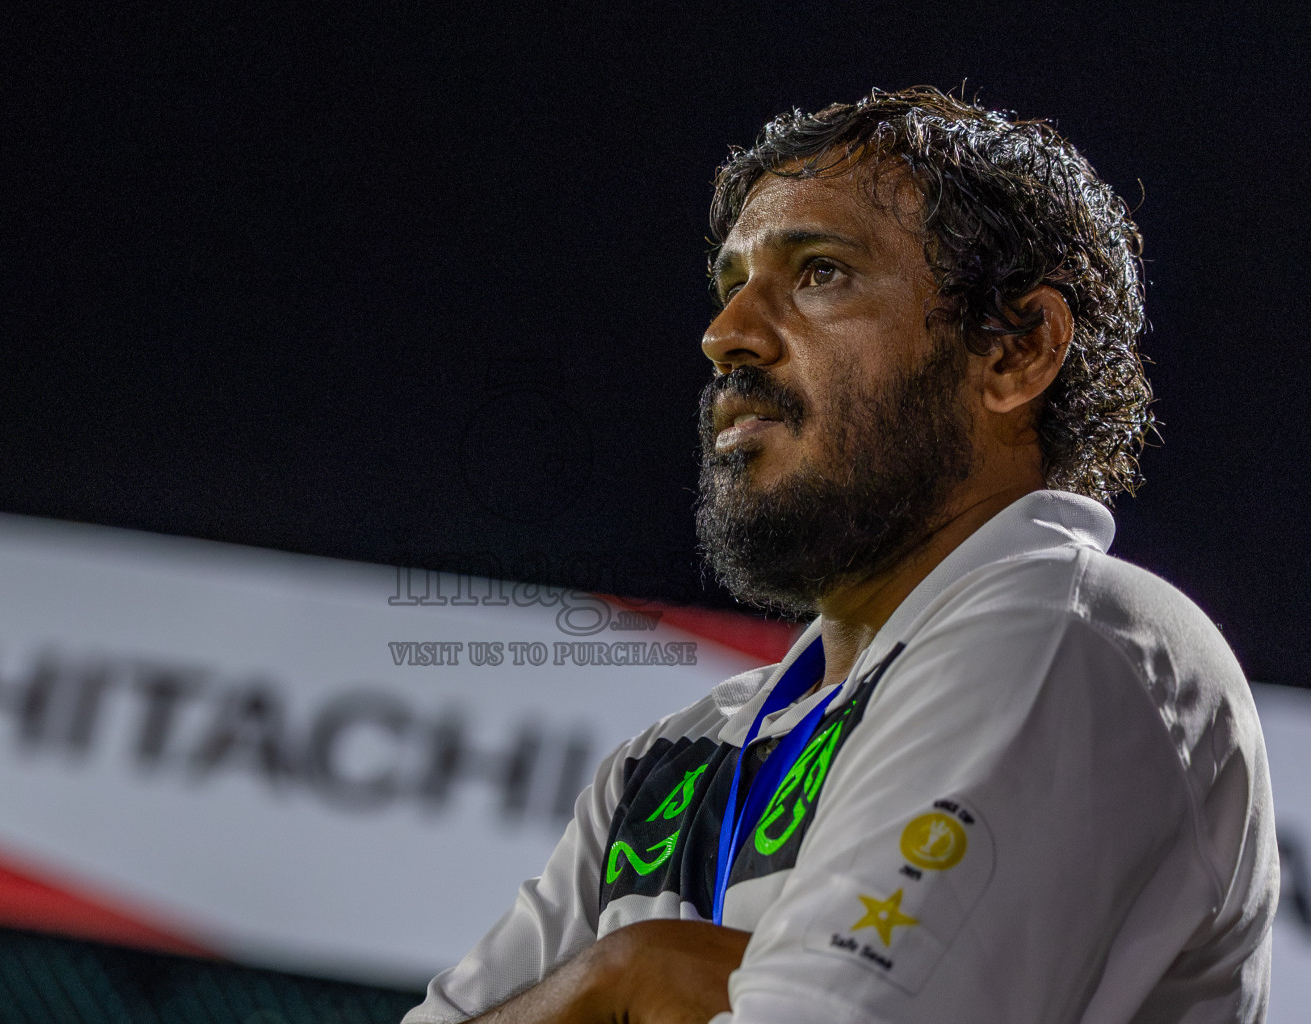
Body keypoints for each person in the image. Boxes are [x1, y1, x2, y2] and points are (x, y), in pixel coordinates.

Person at [402, 87, 1278, 1024]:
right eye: (731, 283)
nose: (726, 333)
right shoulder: (671, 760)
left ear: (1017, 352)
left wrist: (634, 975)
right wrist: (618, 977)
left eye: (820, 273)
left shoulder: (1070, 636)